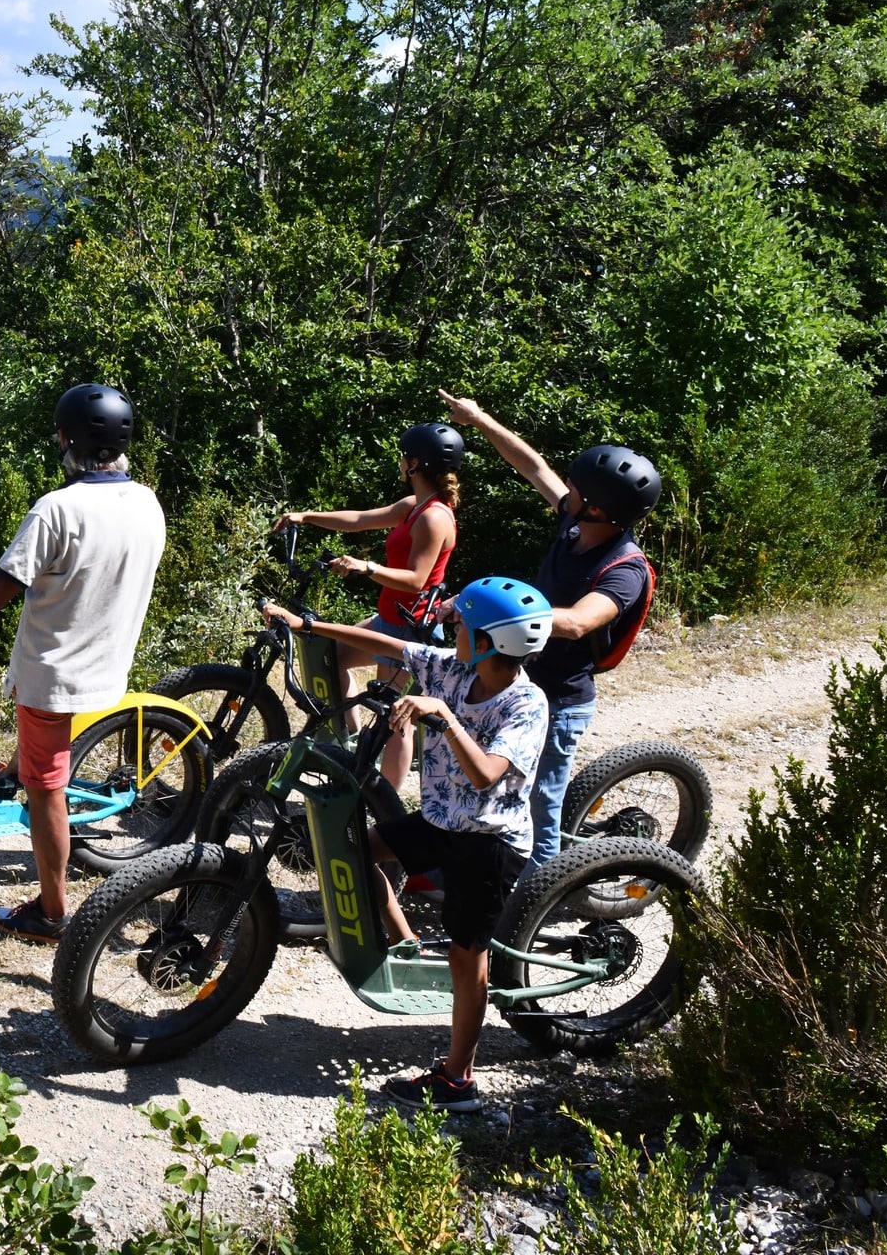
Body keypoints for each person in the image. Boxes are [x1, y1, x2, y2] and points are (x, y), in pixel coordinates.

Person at [262, 575, 553, 1112]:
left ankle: (457, 1081)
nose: (450, 623)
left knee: (469, 961)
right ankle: (406, 939)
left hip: (488, 845)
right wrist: (307, 625)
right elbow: (391, 644)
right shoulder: (452, 667)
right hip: (441, 823)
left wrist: (444, 716)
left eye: (460, 621)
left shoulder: (526, 705)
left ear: (487, 641)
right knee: (348, 853)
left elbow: (488, 773)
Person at [0, 384, 167, 945]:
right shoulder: (147, 502)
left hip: (54, 676)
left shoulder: (57, 509)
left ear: (69, 440)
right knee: (36, 759)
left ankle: (51, 912)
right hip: (106, 664)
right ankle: (17, 770)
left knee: (47, 790)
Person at [439, 391, 659, 870]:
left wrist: (490, 612)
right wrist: (479, 420)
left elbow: (580, 621)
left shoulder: (625, 568)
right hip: (515, 682)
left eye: (577, 489)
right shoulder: (577, 524)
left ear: (599, 509)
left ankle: (531, 906)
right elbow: (534, 466)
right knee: (478, 780)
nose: (568, 492)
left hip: (560, 699)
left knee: (538, 808)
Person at [273, 421, 464, 786]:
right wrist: (306, 516)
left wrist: (367, 567)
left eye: (403, 457)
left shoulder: (434, 517)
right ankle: (353, 746)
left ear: (415, 464)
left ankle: (384, 800)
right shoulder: (414, 505)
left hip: (409, 626)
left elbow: (417, 579)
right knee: (331, 661)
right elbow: (361, 520)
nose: (400, 462)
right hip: (389, 616)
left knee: (396, 718)